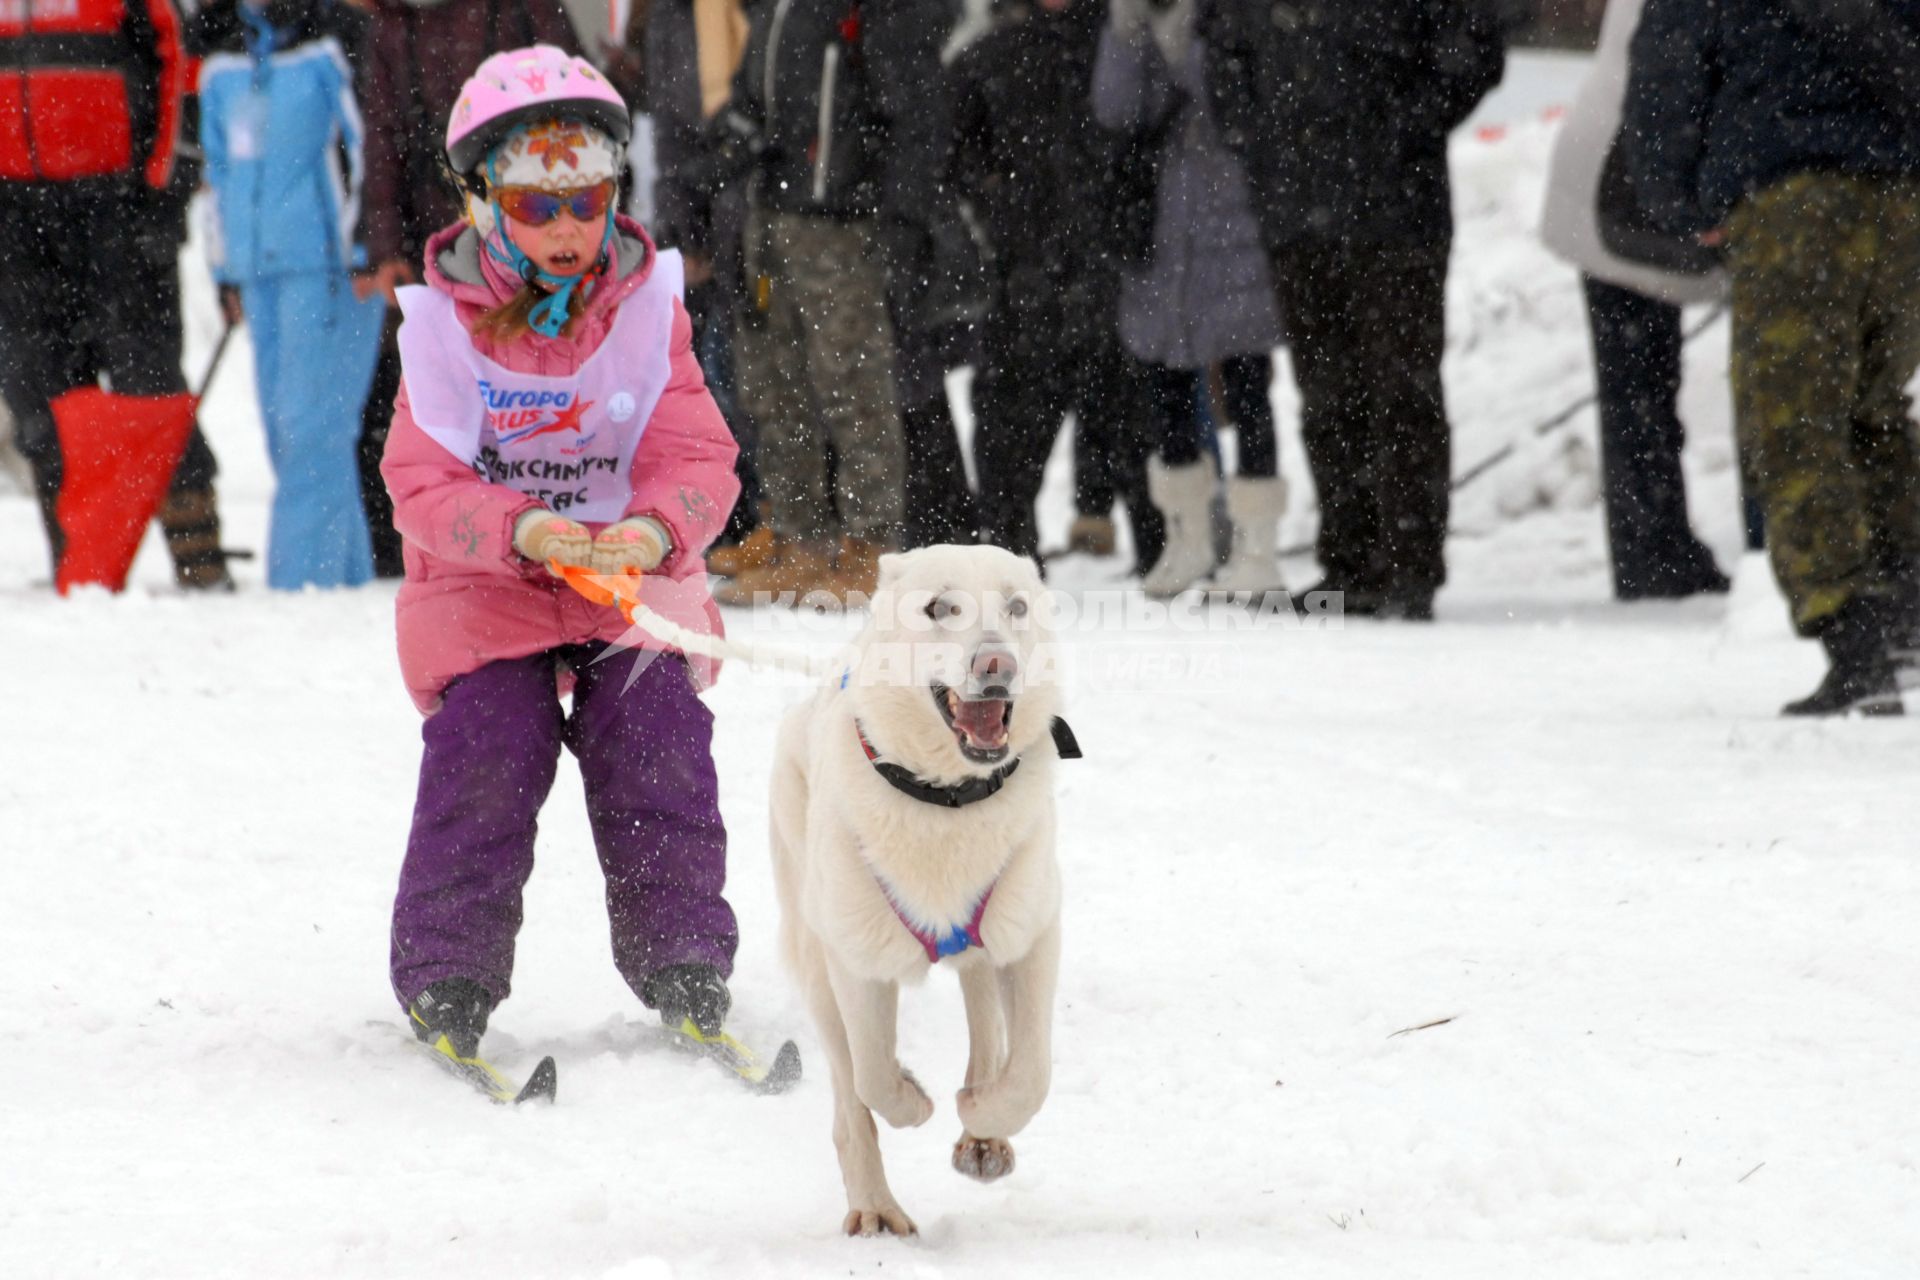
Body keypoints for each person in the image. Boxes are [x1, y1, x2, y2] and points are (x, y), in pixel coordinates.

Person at [382, 46, 743, 1053]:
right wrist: (521, 528)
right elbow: (420, 481)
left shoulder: (644, 307)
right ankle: (448, 975)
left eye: (587, 200)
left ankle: (684, 958)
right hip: (484, 590)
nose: (569, 228)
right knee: (489, 751)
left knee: (660, 739)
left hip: (626, 584)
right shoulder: (445, 329)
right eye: (538, 207)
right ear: (485, 198)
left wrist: (654, 526)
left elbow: (698, 452)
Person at [1626, 0, 1920, 715]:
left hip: (1794, 202)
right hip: (1905, 202)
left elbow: (1666, 80)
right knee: (1871, 413)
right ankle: (1906, 610)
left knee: (1793, 424)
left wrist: (1679, 203)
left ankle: (1855, 637)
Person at [1201, 0, 1507, 619]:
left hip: (1396, 210)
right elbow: (1223, 48)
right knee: (1327, 391)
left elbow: (1474, 48)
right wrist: (1256, 132)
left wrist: (1402, 126)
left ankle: (1408, 568)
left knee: (1402, 390)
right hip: (1296, 206)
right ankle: (1352, 563)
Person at [0, 0, 237, 590]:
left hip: (117, 204)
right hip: (13, 211)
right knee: (39, 386)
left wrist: (164, 187)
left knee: (147, 377)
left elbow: (179, 59)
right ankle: (80, 564)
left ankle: (198, 554)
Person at [353, 0, 583, 578]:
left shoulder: (525, 10)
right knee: (435, 396)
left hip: (529, 224)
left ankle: (555, 516)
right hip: (434, 238)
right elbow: (380, 140)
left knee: (536, 375)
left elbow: (572, 108)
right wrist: (385, 250)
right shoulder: (392, 23)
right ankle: (457, 535)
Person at [702, 0, 918, 607]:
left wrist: (884, 195)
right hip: (767, 211)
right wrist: (736, 133)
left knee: (852, 384)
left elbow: (910, 107)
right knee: (772, 382)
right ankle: (801, 539)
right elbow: (757, 90)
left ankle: (873, 548)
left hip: (840, 222)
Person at [949, 0, 1156, 569]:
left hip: (1109, 270)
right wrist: (995, 205)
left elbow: (1151, 140)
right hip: (1026, 272)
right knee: (1007, 427)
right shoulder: (991, 55)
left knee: (1134, 422)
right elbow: (953, 150)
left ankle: (1161, 551)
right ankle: (1009, 555)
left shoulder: (1123, 50)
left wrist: (1130, 222)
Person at [1093, 0, 1286, 599]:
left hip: (1233, 227)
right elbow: (1114, 109)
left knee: (1249, 385)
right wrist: (1126, 33)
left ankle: (1258, 548)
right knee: (1166, 386)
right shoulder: (1135, 23)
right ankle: (1188, 538)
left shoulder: (1236, 18)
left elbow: (1236, 107)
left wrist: (1186, 48)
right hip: (1159, 229)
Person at [1539, 0, 1729, 602]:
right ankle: (1656, 557)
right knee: (1640, 391)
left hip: (1618, 166)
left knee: (1634, 393)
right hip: (1625, 181)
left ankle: (1652, 549)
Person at [198, 0, 388, 589]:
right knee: (291, 434)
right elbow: (217, 169)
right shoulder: (221, 49)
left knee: (313, 432)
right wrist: (224, 268)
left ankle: (302, 586)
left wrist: (367, 245)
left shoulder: (338, 39)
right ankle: (343, 579)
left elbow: (372, 148)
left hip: (332, 267)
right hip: (260, 271)